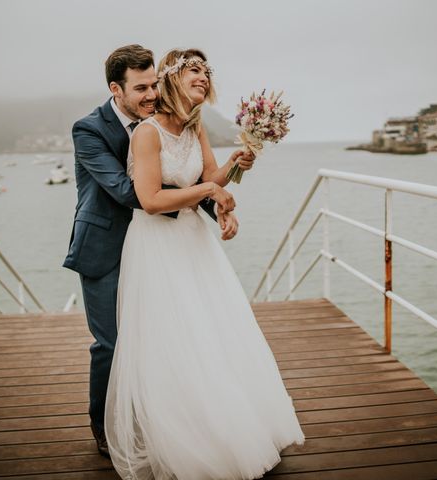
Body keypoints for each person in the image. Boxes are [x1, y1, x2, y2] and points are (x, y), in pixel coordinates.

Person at [105, 48, 304, 480]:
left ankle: (228, 427)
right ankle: (188, 437)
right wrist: (210, 195)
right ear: (174, 78)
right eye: (194, 69)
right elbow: (151, 200)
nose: (203, 76)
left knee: (213, 329)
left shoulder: (196, 128)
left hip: (193, 240)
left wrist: (234, 164)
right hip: (156, 242)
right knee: (176, 335)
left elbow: (207, 179)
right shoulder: (147, 133)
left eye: (206, 70)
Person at [62, 45, 253, 457]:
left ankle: (161, 421)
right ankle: (103, 425)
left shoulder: (164, 121)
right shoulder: (89, 129)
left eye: (154, 84)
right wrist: (209, 191)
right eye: (141, 88)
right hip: (106, 245)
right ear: (116, 89)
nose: (151, 95)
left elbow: (183, 172)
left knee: (163, 338)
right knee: (112, 343)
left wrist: (222, 186)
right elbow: (130, 192)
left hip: (158, 246)